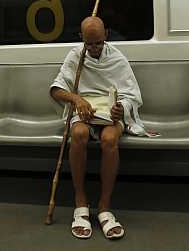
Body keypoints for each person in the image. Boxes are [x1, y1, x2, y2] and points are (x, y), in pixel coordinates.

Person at [50, 16, 149, 240]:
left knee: (109, 139)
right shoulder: (76, 55)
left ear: (106, 36)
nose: (94, 49)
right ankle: (80, 202)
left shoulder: (117, 57)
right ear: (81, 39)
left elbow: (132, 94)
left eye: (98, 43)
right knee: (79, 133)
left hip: (109, 110)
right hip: (84, 110)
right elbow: (56, 90)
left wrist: (121, 108)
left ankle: (104, 207)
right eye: (89, 44)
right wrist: (76, 99)